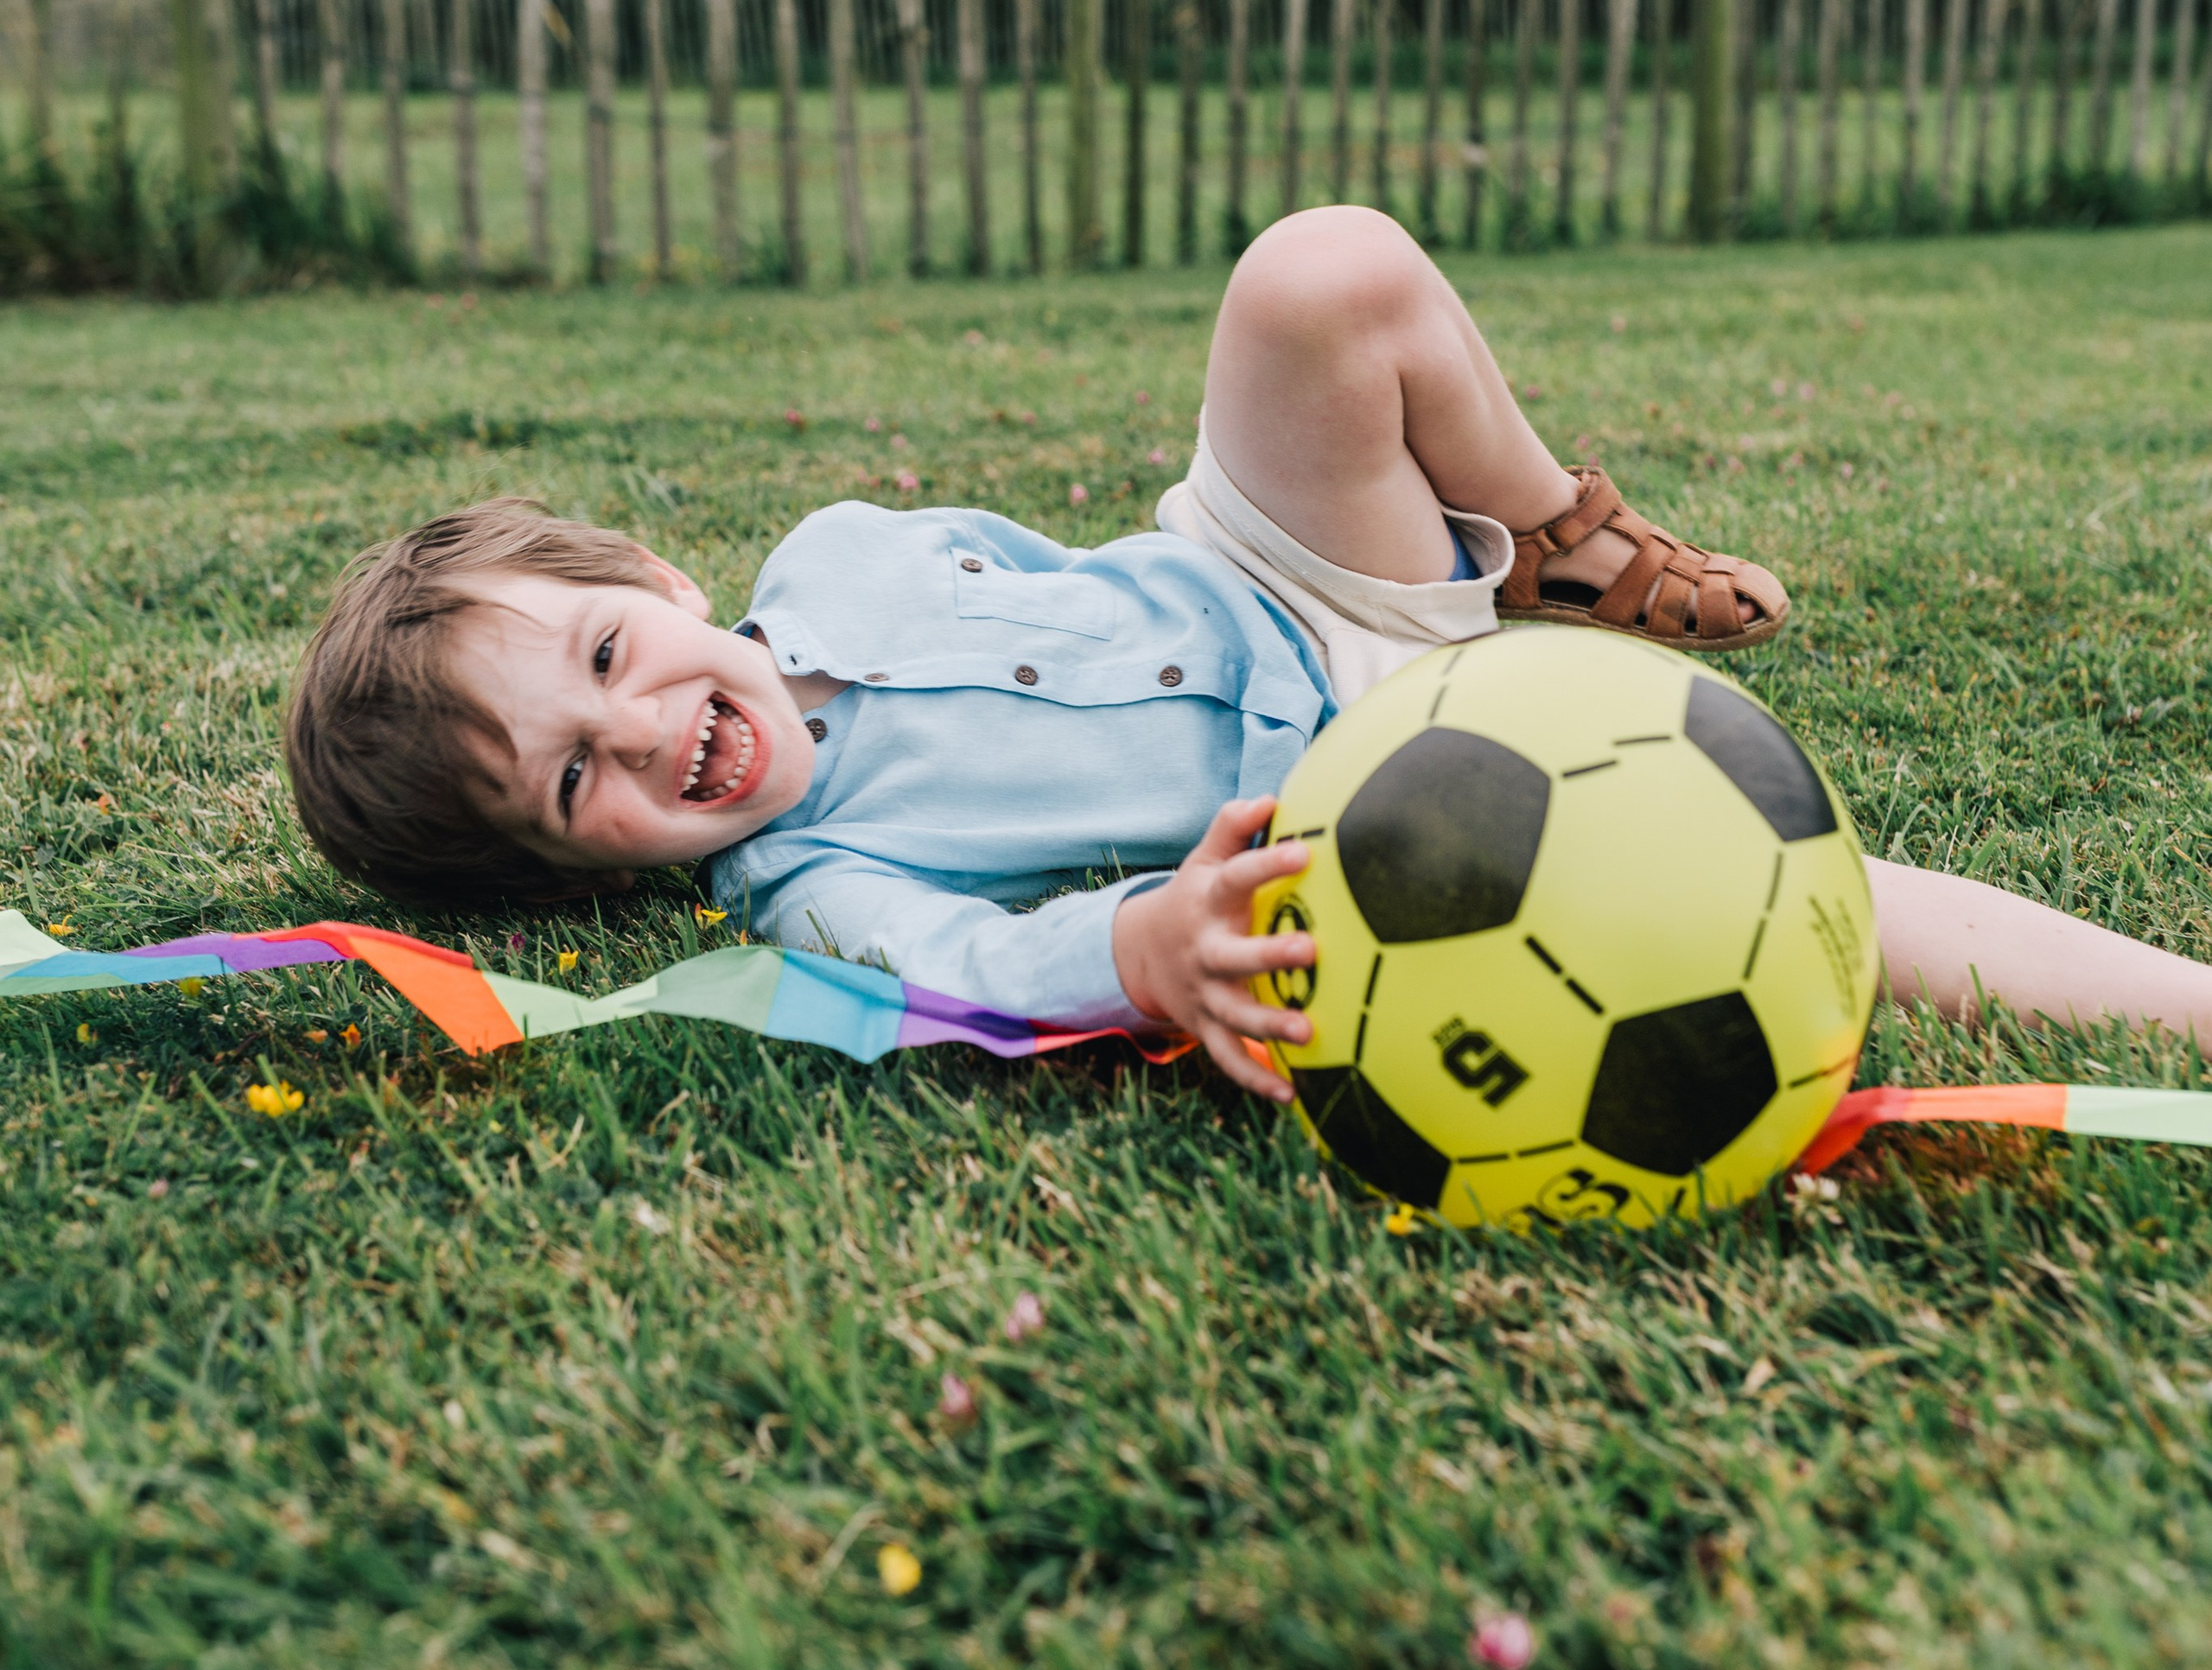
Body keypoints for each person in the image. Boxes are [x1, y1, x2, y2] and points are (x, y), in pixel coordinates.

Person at [284, 208, 2212, 1097]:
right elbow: (963, 966)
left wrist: (1254, 552)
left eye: (613, 656)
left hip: (1261, 577)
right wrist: (1133, 948)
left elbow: (1049, 583)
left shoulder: (835, 549)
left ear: (647, 574)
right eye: (572, 787)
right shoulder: (812, 886)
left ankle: (1560, 548)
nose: (644, 740)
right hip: (1357, 769)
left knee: (1321, 273)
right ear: (570, 872)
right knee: (1795, 886)